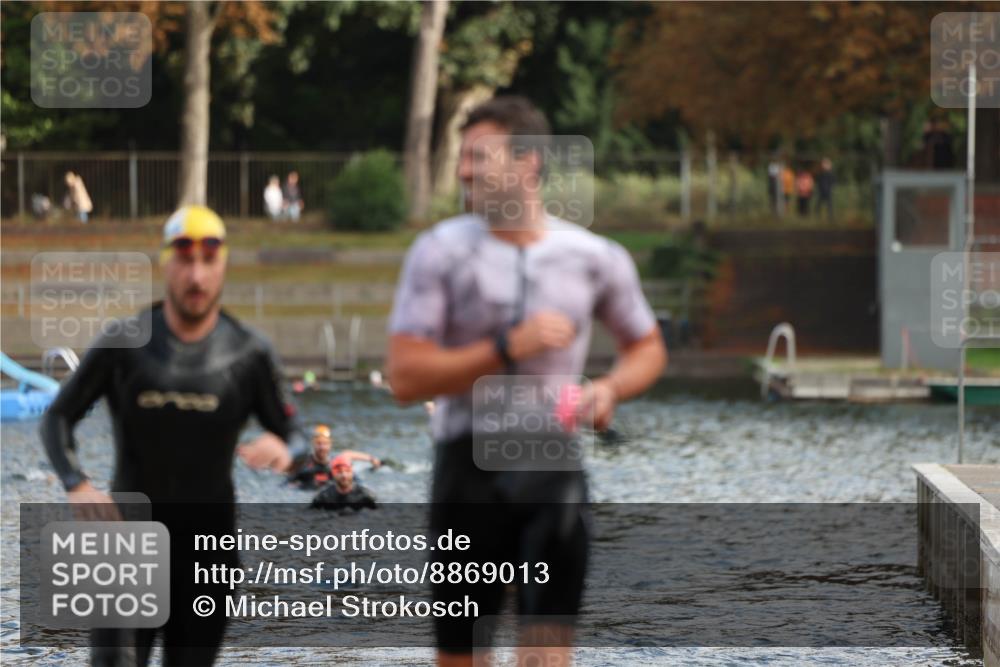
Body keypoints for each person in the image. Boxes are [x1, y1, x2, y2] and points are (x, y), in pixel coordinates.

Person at [386, 95, 667, 665]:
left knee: (546, 655)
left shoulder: (592, 256)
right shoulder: (439, 252)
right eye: (462, 158)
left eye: (478, 156)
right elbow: (405, 376)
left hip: (551, 470)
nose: (464, 169)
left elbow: (647, 347)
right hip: (466, 473)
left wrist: (609, 389)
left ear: (528, 165)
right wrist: (502, 349)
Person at [40, 205, 308, 667]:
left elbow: (299, 435)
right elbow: (57, 418)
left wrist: (286, 449)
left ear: (223, 266)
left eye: (209, 261)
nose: (196, 276)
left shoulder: (248, 352)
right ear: (166, 262)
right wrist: (76, 482)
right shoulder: (124, 343)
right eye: (185, 260)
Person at [310, 449, 381, 510]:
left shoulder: (366, 496)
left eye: (347, 471)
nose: (344, 475)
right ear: (333, 474)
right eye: (339, 472)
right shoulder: (324, 497)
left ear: (352, 472)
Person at [288, 424, 337, 489]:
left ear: (330, 444)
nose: (322, 447)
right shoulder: (303, 464)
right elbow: (286, 484)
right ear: (313, 444)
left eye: (325, 443)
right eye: (319, 443)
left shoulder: (337, 465)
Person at [816, 157, 835, 222]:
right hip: (822, 190)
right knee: (819, 204)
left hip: (828, 191)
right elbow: (819, 181)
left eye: (826, 164)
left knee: (829, 204)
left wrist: (830, 187)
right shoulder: (821, 173)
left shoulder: (830, 174)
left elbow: (833, 182)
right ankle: (818, 216)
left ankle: (830, 217)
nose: (824, 166)